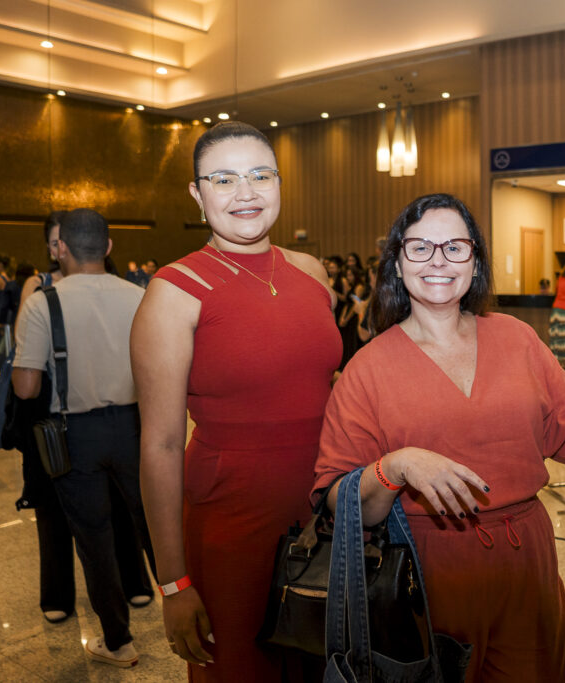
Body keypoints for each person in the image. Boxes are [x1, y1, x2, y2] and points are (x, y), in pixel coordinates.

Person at [314, 193, 565, 683]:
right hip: (426, 575)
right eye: (421, 247)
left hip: (525, 565)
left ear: (476, 259)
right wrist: (396, 466)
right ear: (397, 262)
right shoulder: (369, 367)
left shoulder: (515, 338)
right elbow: (338, 498)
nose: (439, 261)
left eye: (455, 247)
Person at [133, 121, 340, 682]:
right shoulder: (174, 291)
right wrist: (173, 583)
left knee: (324, 664)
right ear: (198, 196)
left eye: (259, 175)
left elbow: (324, 384)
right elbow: (160, 443)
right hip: (233, 520)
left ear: (279, 183)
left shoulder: (312, 273)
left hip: (326, 510)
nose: (245, 192)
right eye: (223, 179)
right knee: (241, 667)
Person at [13, 208, 153, 667]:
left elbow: (27, 388)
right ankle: (193, 615)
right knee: (154, 528)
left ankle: (119, 642)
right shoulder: (139, 295)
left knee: (93, 538)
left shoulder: (43, 302)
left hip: (76, 433)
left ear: (62, 248)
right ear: (109, 247)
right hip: (135, 426)